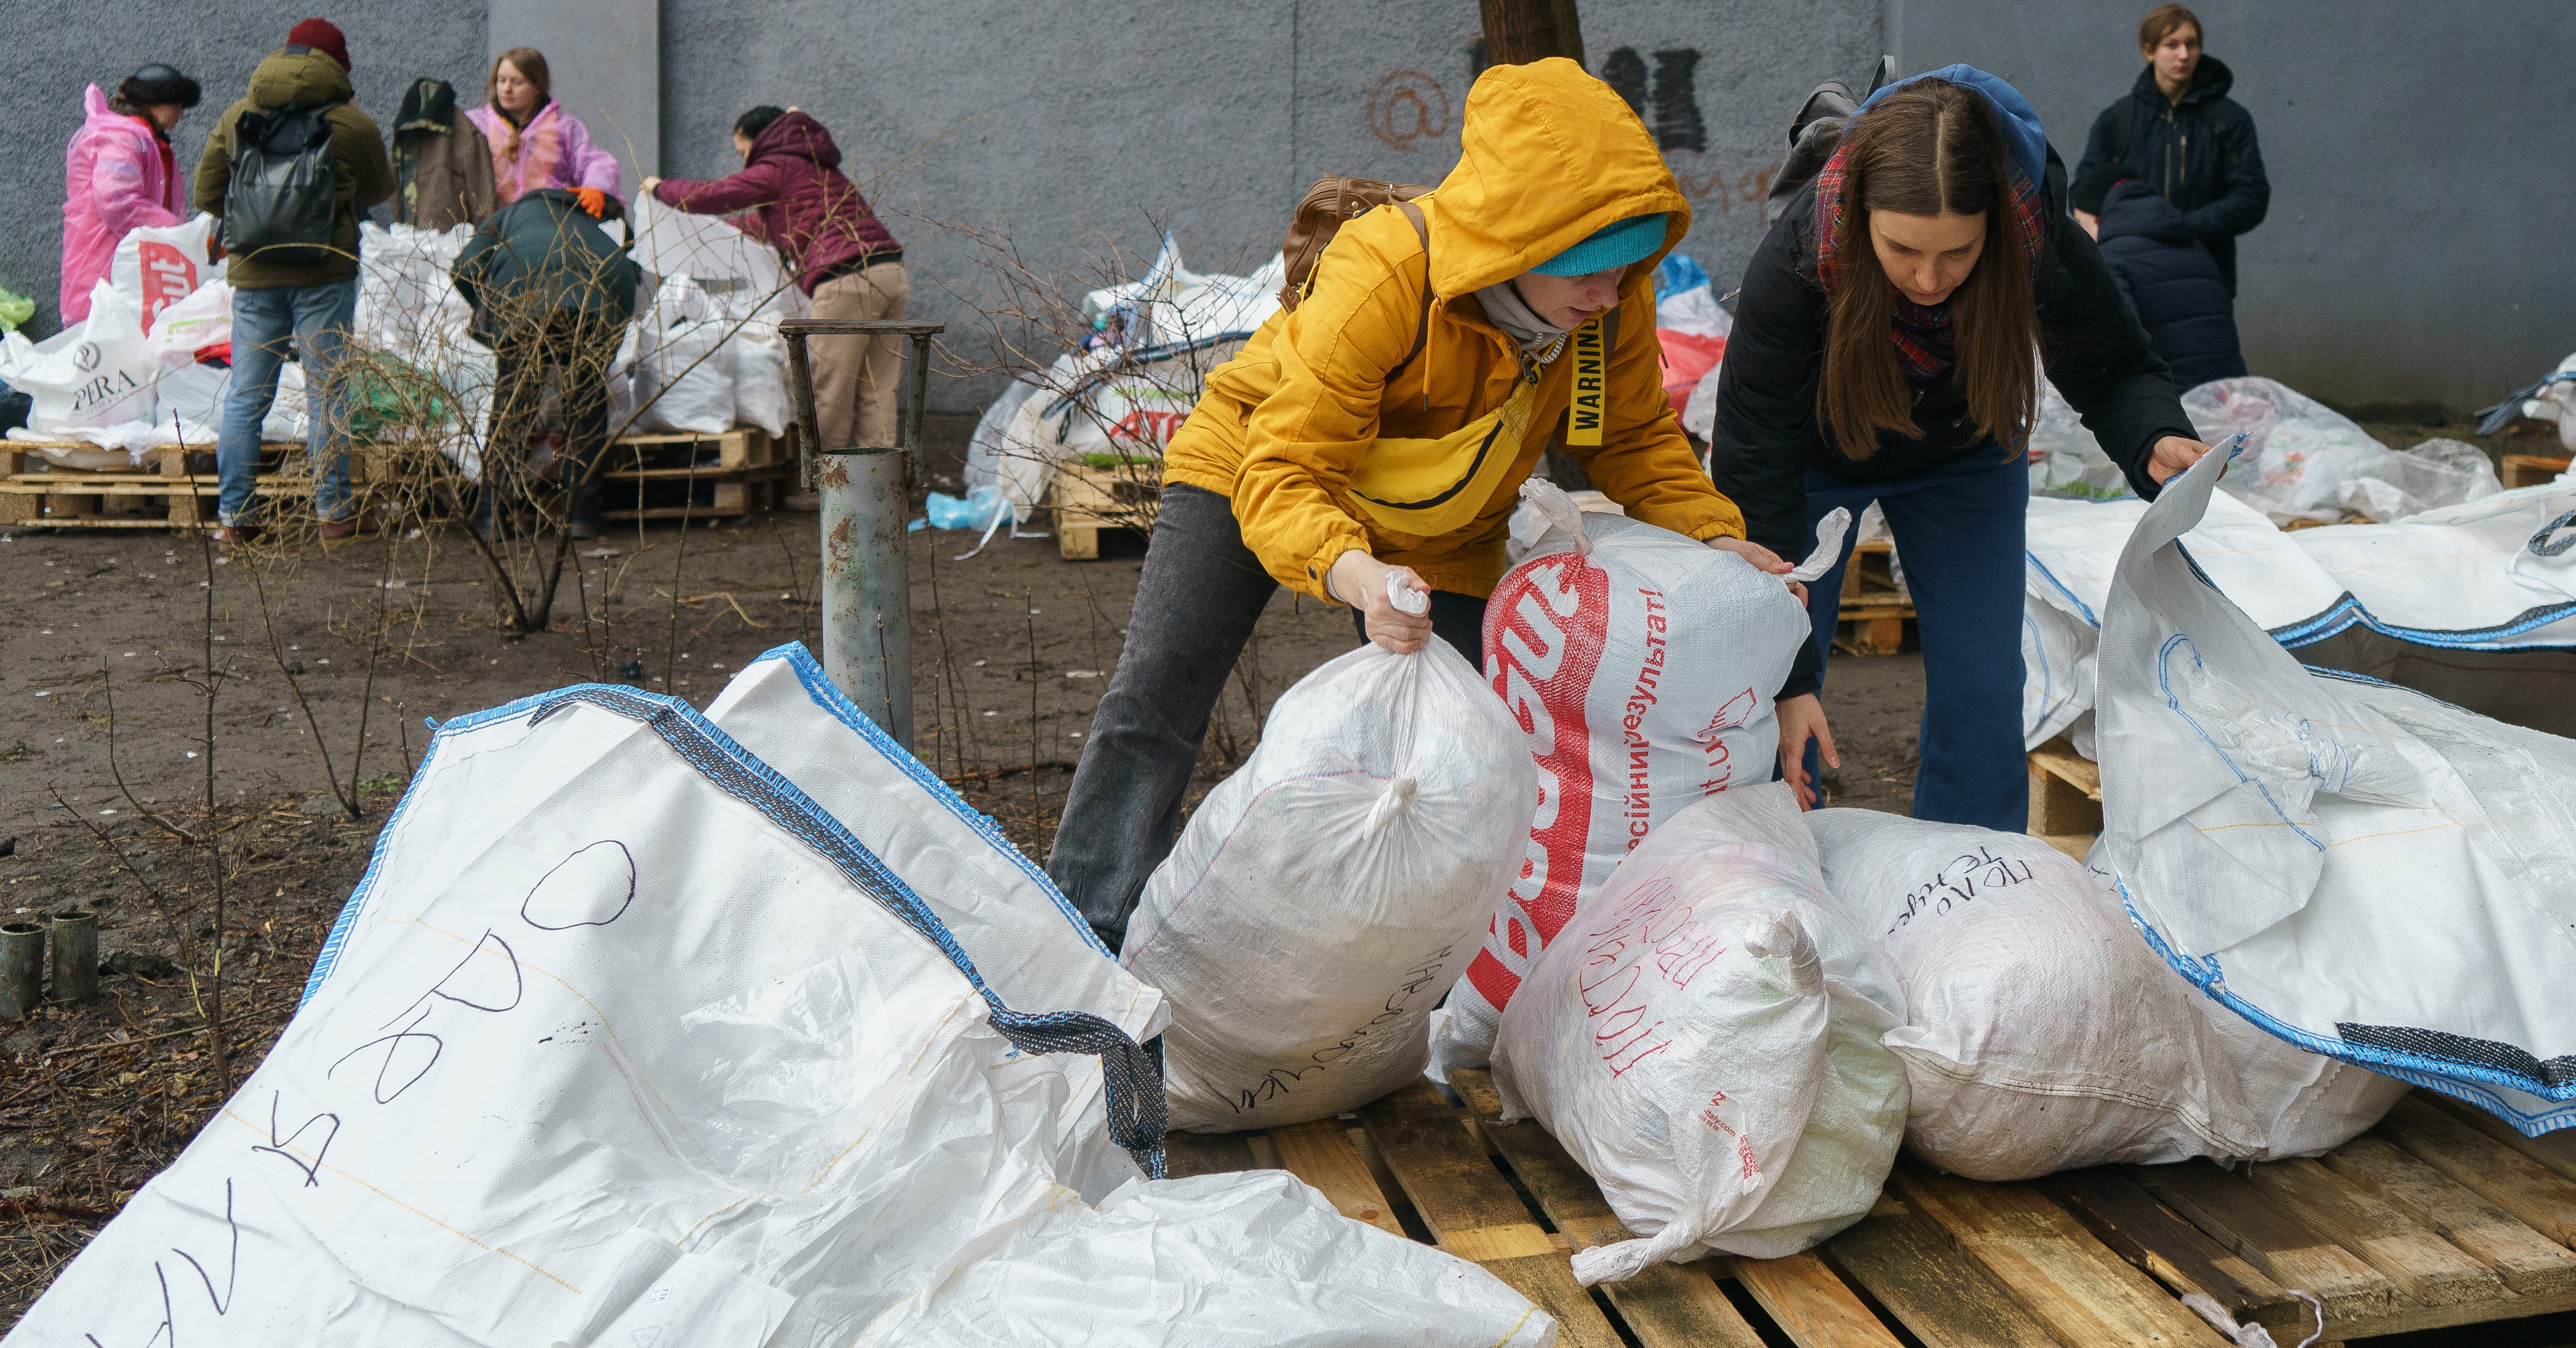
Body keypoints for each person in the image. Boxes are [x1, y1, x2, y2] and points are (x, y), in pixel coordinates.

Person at [1044, 57, 1786, 948]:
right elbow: (1288, 469)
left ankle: (1419, 970)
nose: (1610, 295)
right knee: (1158, 699)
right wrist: (1354, 574)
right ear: (1517, 249)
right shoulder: (1389, 270)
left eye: (1627, 272)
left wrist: (1713, 538)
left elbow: (1629, 441)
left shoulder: (1609, 306)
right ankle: (1087, 939)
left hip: (1445, 519)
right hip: (1260, 461)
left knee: (1458, 751)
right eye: (1586, 271)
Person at [1710, 66, 2205, 831]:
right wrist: (1787, 676)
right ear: (1863, 215)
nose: (1929, 279)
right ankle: (1775, 863)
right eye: (1903, 250)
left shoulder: (2032, 229)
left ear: (1997, 226)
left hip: (1964, 453)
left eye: (1959, 254)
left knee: (1983, 690)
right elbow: (1754, 449)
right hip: (1808, 459)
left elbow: (2110, 357)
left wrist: (2154, 434)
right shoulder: (1801, 256)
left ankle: (1973, 882)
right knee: (1773, 690)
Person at [193, 19, 391, 545]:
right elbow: (380, 188)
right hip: (325, 273)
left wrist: (257, 212)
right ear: (337, 67)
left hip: (256, 275)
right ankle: (334, 512)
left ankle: (236, 516)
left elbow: (207, 192)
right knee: (329, 390)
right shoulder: (350, 123)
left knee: (246, 395)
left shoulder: (240, 115)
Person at [644, 106, 906, 450]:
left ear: (760, 140)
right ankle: (879, 490)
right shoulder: (814, 165)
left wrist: (660, 189)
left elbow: (716, 195)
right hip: (890, 274)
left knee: (830, 390)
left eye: (743, 152)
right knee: (877, 390)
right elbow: (771, 226)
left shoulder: (779, 164)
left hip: (846, 281)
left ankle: (825, 489)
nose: (744, 162)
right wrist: (709, 234)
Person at [452, 184, 642, 541]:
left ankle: (491, 517)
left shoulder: (507, 217)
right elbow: (630, 275)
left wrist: (489, 317)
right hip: (599, 288)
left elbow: (464, 268)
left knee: (515, 405)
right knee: (586, 402)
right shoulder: (587, 223)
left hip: (523, 293)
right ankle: (582, 515)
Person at [2070, 3, 2270, 299]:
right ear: (2148, 50)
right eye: (2171, 45)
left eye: (2192, 44)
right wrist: (2118, 237)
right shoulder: (2119, 119)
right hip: (2133, 278)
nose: (2184, 55)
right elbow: (2083, 195)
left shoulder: (2228, 120)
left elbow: (2252, 198)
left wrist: (2183, 227)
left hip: (2204, 275)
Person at [2076, 165, 2246, 391]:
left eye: (2080, 224)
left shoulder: (2112, 258)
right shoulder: (2195, 246)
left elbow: (2117, 348)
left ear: (2097, 220)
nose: (2079, 235)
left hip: (2172, 406)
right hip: (2230, 395)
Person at [60, 65, 200, 323]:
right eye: (176, 104)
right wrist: (180, 232)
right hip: (106, 265)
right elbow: (117, 202)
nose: (181, 113)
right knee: (102, 343)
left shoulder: (137, 136)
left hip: (117, 265)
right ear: (152, 103)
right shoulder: (122, 139)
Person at [467, 48, 624, 209]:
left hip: (552, 222)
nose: (506, 89)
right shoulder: (477, 124)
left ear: (537, 88)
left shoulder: (564, 126)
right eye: (502, 81)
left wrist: (596, 187)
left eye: (517, 82)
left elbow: (595, 161)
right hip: (497, 224)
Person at [387, 78, 498, 231]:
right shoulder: (405, 133)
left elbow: (483, 200)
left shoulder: (466, 134)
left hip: (447, 240)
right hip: (437, 239)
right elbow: (484, 203)